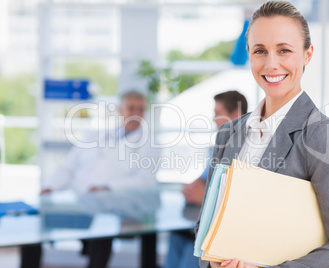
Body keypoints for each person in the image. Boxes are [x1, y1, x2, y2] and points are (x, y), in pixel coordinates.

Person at [196, 2, 329, 268]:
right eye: (260, 51)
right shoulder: (228, 133)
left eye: (284, 50)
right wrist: (213, 262)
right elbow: (207, 225)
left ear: (307, 54)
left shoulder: (322, 135)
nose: (271, 64)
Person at [20, 91, 159, 268]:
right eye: (131, 108)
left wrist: (107, 187)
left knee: (104, 230)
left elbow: (145, 180)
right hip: (76, 201)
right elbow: (67, 167)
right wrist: (49, 186)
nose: (136, 114)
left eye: (141, 109)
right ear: (120, 110)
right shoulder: (93, 136)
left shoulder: (149, 144)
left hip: (111, 207)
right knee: (32, 227)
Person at [164, 90, 248, 268]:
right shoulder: (219, 144)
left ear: (236, 114)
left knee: (192, 246)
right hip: (199, 215)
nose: (213, 119)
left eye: (218, 113)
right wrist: (192, 186)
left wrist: (205, 196)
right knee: (177, 236)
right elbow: (205, 178)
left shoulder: (250, 148)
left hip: (225, 227)